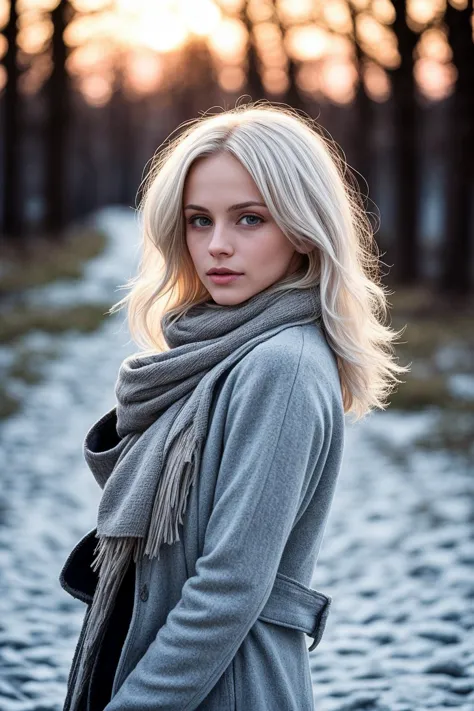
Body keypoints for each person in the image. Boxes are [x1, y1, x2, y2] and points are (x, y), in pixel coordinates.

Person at [59, 102, 409, 711]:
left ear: (302, 228)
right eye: (199, 220)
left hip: (225, 687)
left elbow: (230, 587)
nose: (217, 246)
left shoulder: (282, 367)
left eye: (249, 219)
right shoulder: (221, 349)